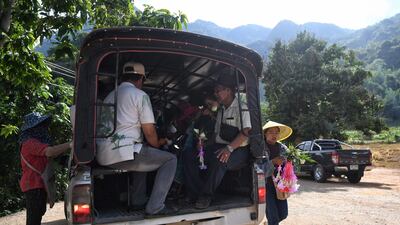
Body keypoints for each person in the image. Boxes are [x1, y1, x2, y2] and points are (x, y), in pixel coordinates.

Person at [96, 61, 177, 216]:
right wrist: (158, 144)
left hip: (103, 155)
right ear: (140, 79)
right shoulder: (140, 95)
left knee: (144, 154)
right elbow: (150, 133)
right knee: (170, 160)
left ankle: (138, 201)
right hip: (123, 154)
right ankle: (156, 206)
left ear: (123, 78)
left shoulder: (109, 96)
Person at [194, 72, 252, 209]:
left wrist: (229, 149)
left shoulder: (242, 108)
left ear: (229, 90)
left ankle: (206, 196)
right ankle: (193, 191)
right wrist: (204, 145)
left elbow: (246, 133)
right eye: (215, 91)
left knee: (220, 160)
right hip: (221, 145)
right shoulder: (221, 110)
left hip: (239, 150)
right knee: (193, 155)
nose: (216, 94)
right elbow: (216, 135)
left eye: (218, 90)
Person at [19, 112, 71, 225]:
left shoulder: (36, 141)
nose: (43, 128)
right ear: (33, 128)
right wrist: (70, 144)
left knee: (38, 214)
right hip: (33, 185)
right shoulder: (29, 143)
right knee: (34, 219)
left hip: (37, 184)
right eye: (40, 125)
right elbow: (50, 152)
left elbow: (53, 154)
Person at [262, 121, 293, 225]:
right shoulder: (260, 148)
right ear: (265, 133)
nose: (274, 135)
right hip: (266, 185)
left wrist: (290, 164)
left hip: (280, 185)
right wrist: (273, 162)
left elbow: (294, 166)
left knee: (284, 214)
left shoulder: (283, 148)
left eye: (276, 132)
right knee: (273, 217)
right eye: (271, 132)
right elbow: (257, 168)